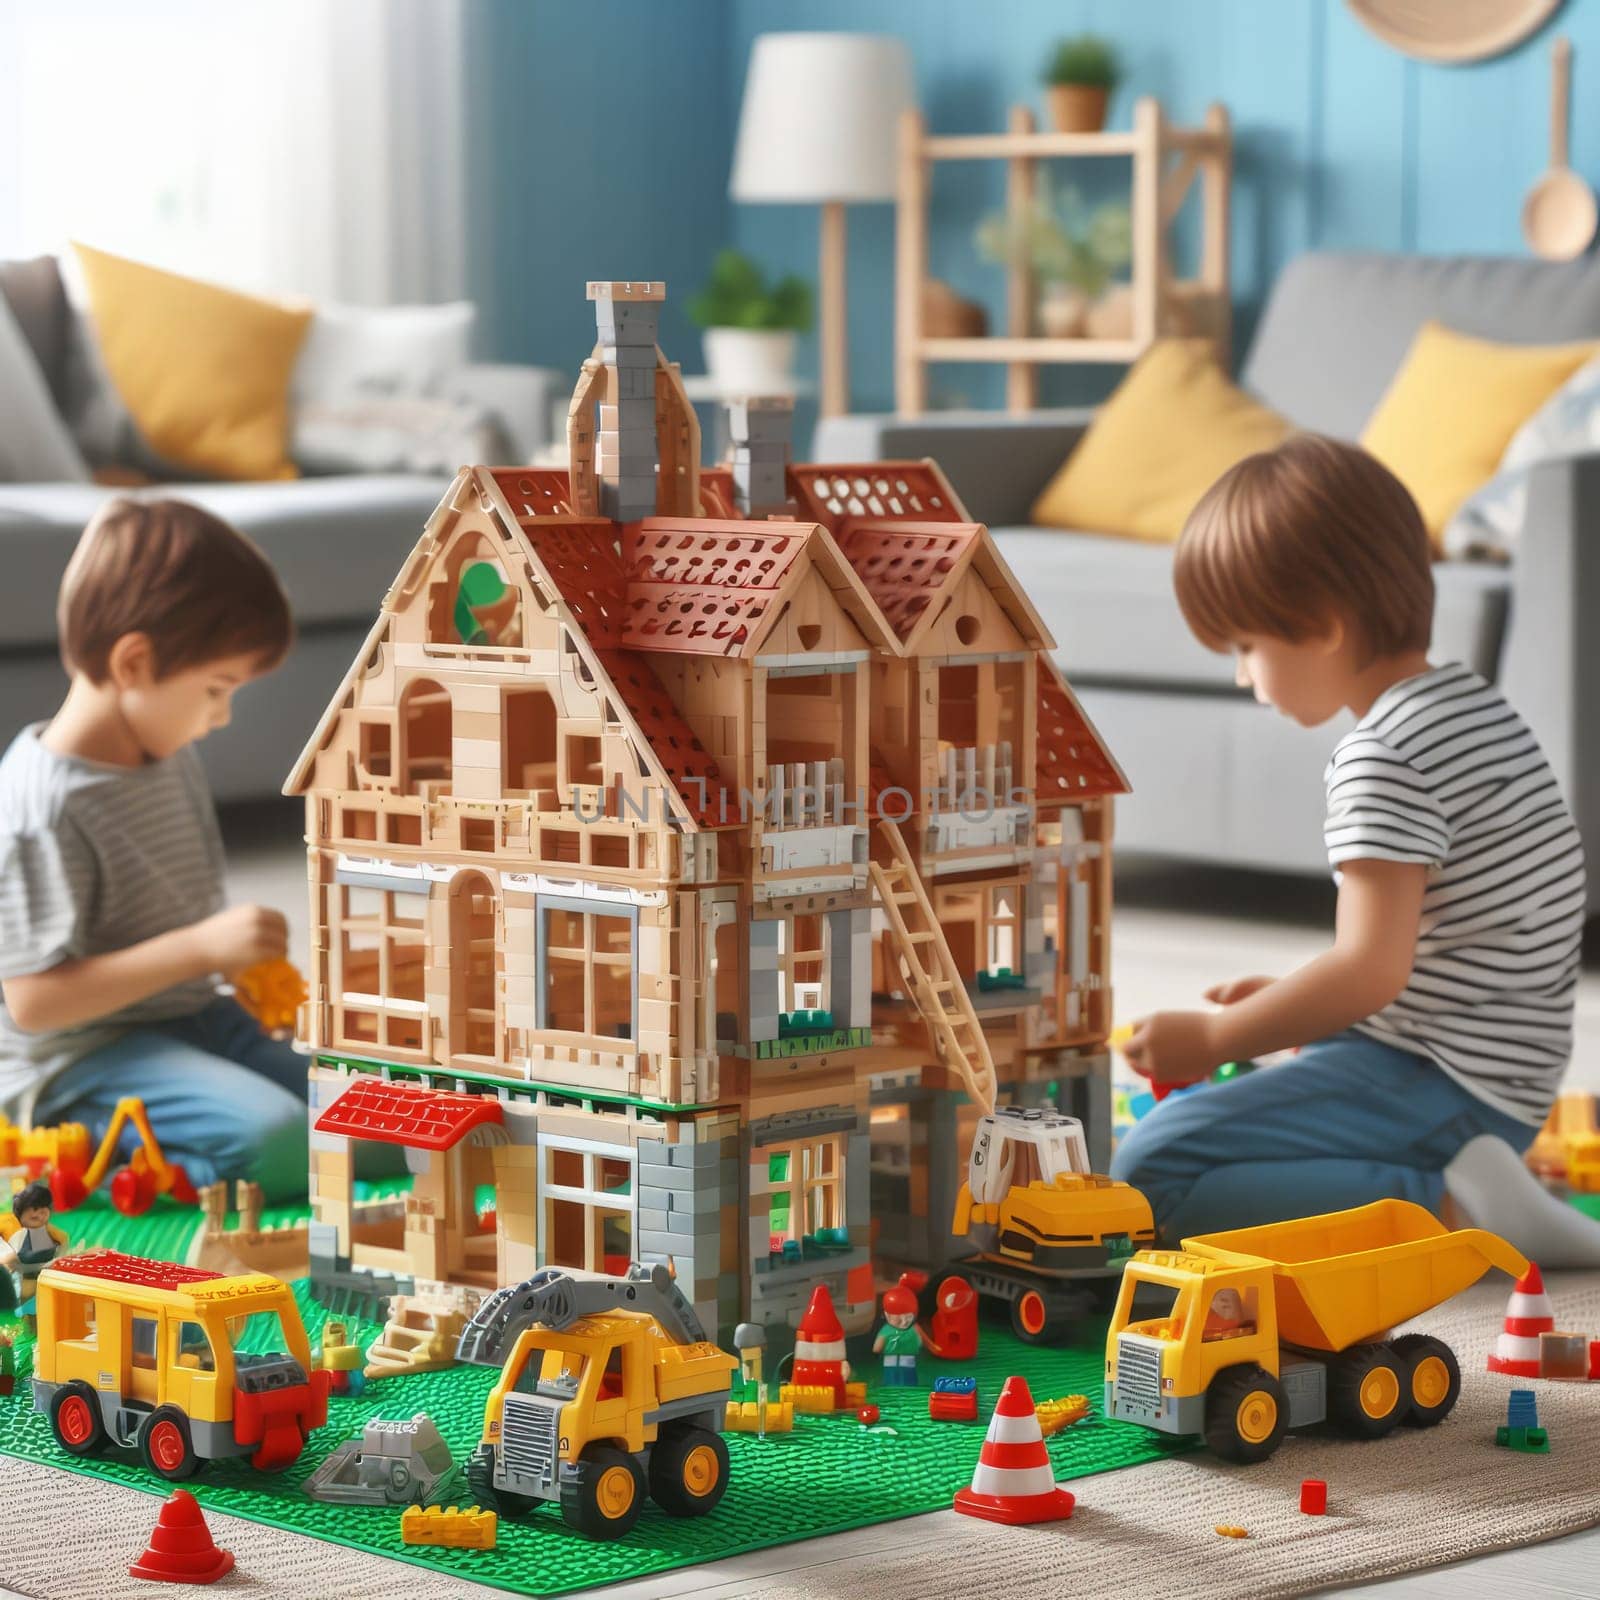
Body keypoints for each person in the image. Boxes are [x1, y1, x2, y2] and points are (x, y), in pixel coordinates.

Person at [1113, 435, 1600, 1266]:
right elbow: (1446, 944)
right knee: (1224, 1132)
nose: (1241, 677)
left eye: (1245, 647)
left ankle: (1450, 1205)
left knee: (1147, 1173)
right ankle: (1463, 1173)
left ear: (1326, 628)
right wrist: (1292, 1003)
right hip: (1504, 1077)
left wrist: (1221, 1035)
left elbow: (1371, 970)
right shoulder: (1476, 707)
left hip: (1444, 1082)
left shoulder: (1383, 757)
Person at [0, 498, 307, 1200]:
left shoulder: (166, 758)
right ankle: (97, 1160)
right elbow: (33, 1004)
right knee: (280, 1145)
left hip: (192, 1017)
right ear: (134, 662)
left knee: (370, 1124)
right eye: (216, 689)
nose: (220, 717)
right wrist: (204, 949)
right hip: (82, 1057)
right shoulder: (37, 806)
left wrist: (238, 973)